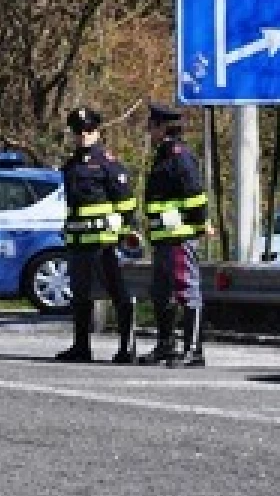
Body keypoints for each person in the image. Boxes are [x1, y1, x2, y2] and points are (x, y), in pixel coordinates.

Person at [55, 106, 138, 363]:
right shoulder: (70, 166)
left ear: (97, 131)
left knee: (118, 294)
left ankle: (127, 347)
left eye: (88, 131)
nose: (83, 136)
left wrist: (124, 236)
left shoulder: (108, 164)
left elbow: (126, 204)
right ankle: (81, 346)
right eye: (79, 132)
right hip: (79, 243)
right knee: (80, 296)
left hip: (105, 243)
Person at [140, 102, 210, 367]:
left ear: (163, 127)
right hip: (163, 237)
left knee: (186, 290)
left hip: (179, 236)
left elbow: (195, 195)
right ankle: (166, 345)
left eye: (152, 126)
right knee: (161, 292)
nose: (149, 131)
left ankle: (193, 349)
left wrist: (199, 224)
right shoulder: (164, 155)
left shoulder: (179, 156)